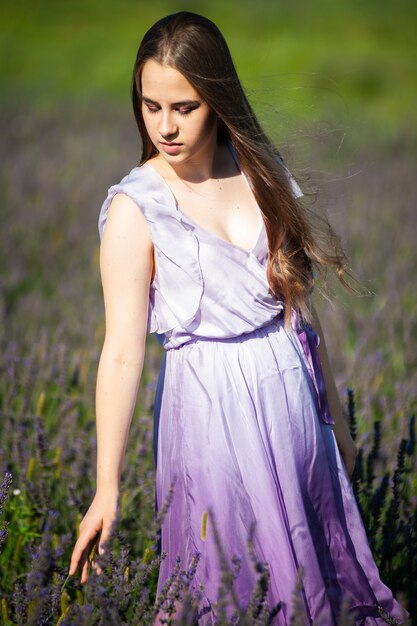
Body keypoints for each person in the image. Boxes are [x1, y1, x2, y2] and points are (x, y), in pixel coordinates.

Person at [69, 11, 409, 626]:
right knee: (230, 587)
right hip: (209, 412)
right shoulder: (134, 207)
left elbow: (298, 308)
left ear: (217, 99)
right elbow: (121, 352)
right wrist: (106, 485)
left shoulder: (260, 170)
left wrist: (336, 424)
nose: (165, 126)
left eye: (184, 108)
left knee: (316, 581)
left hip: (295, 405)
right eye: (151, 107)